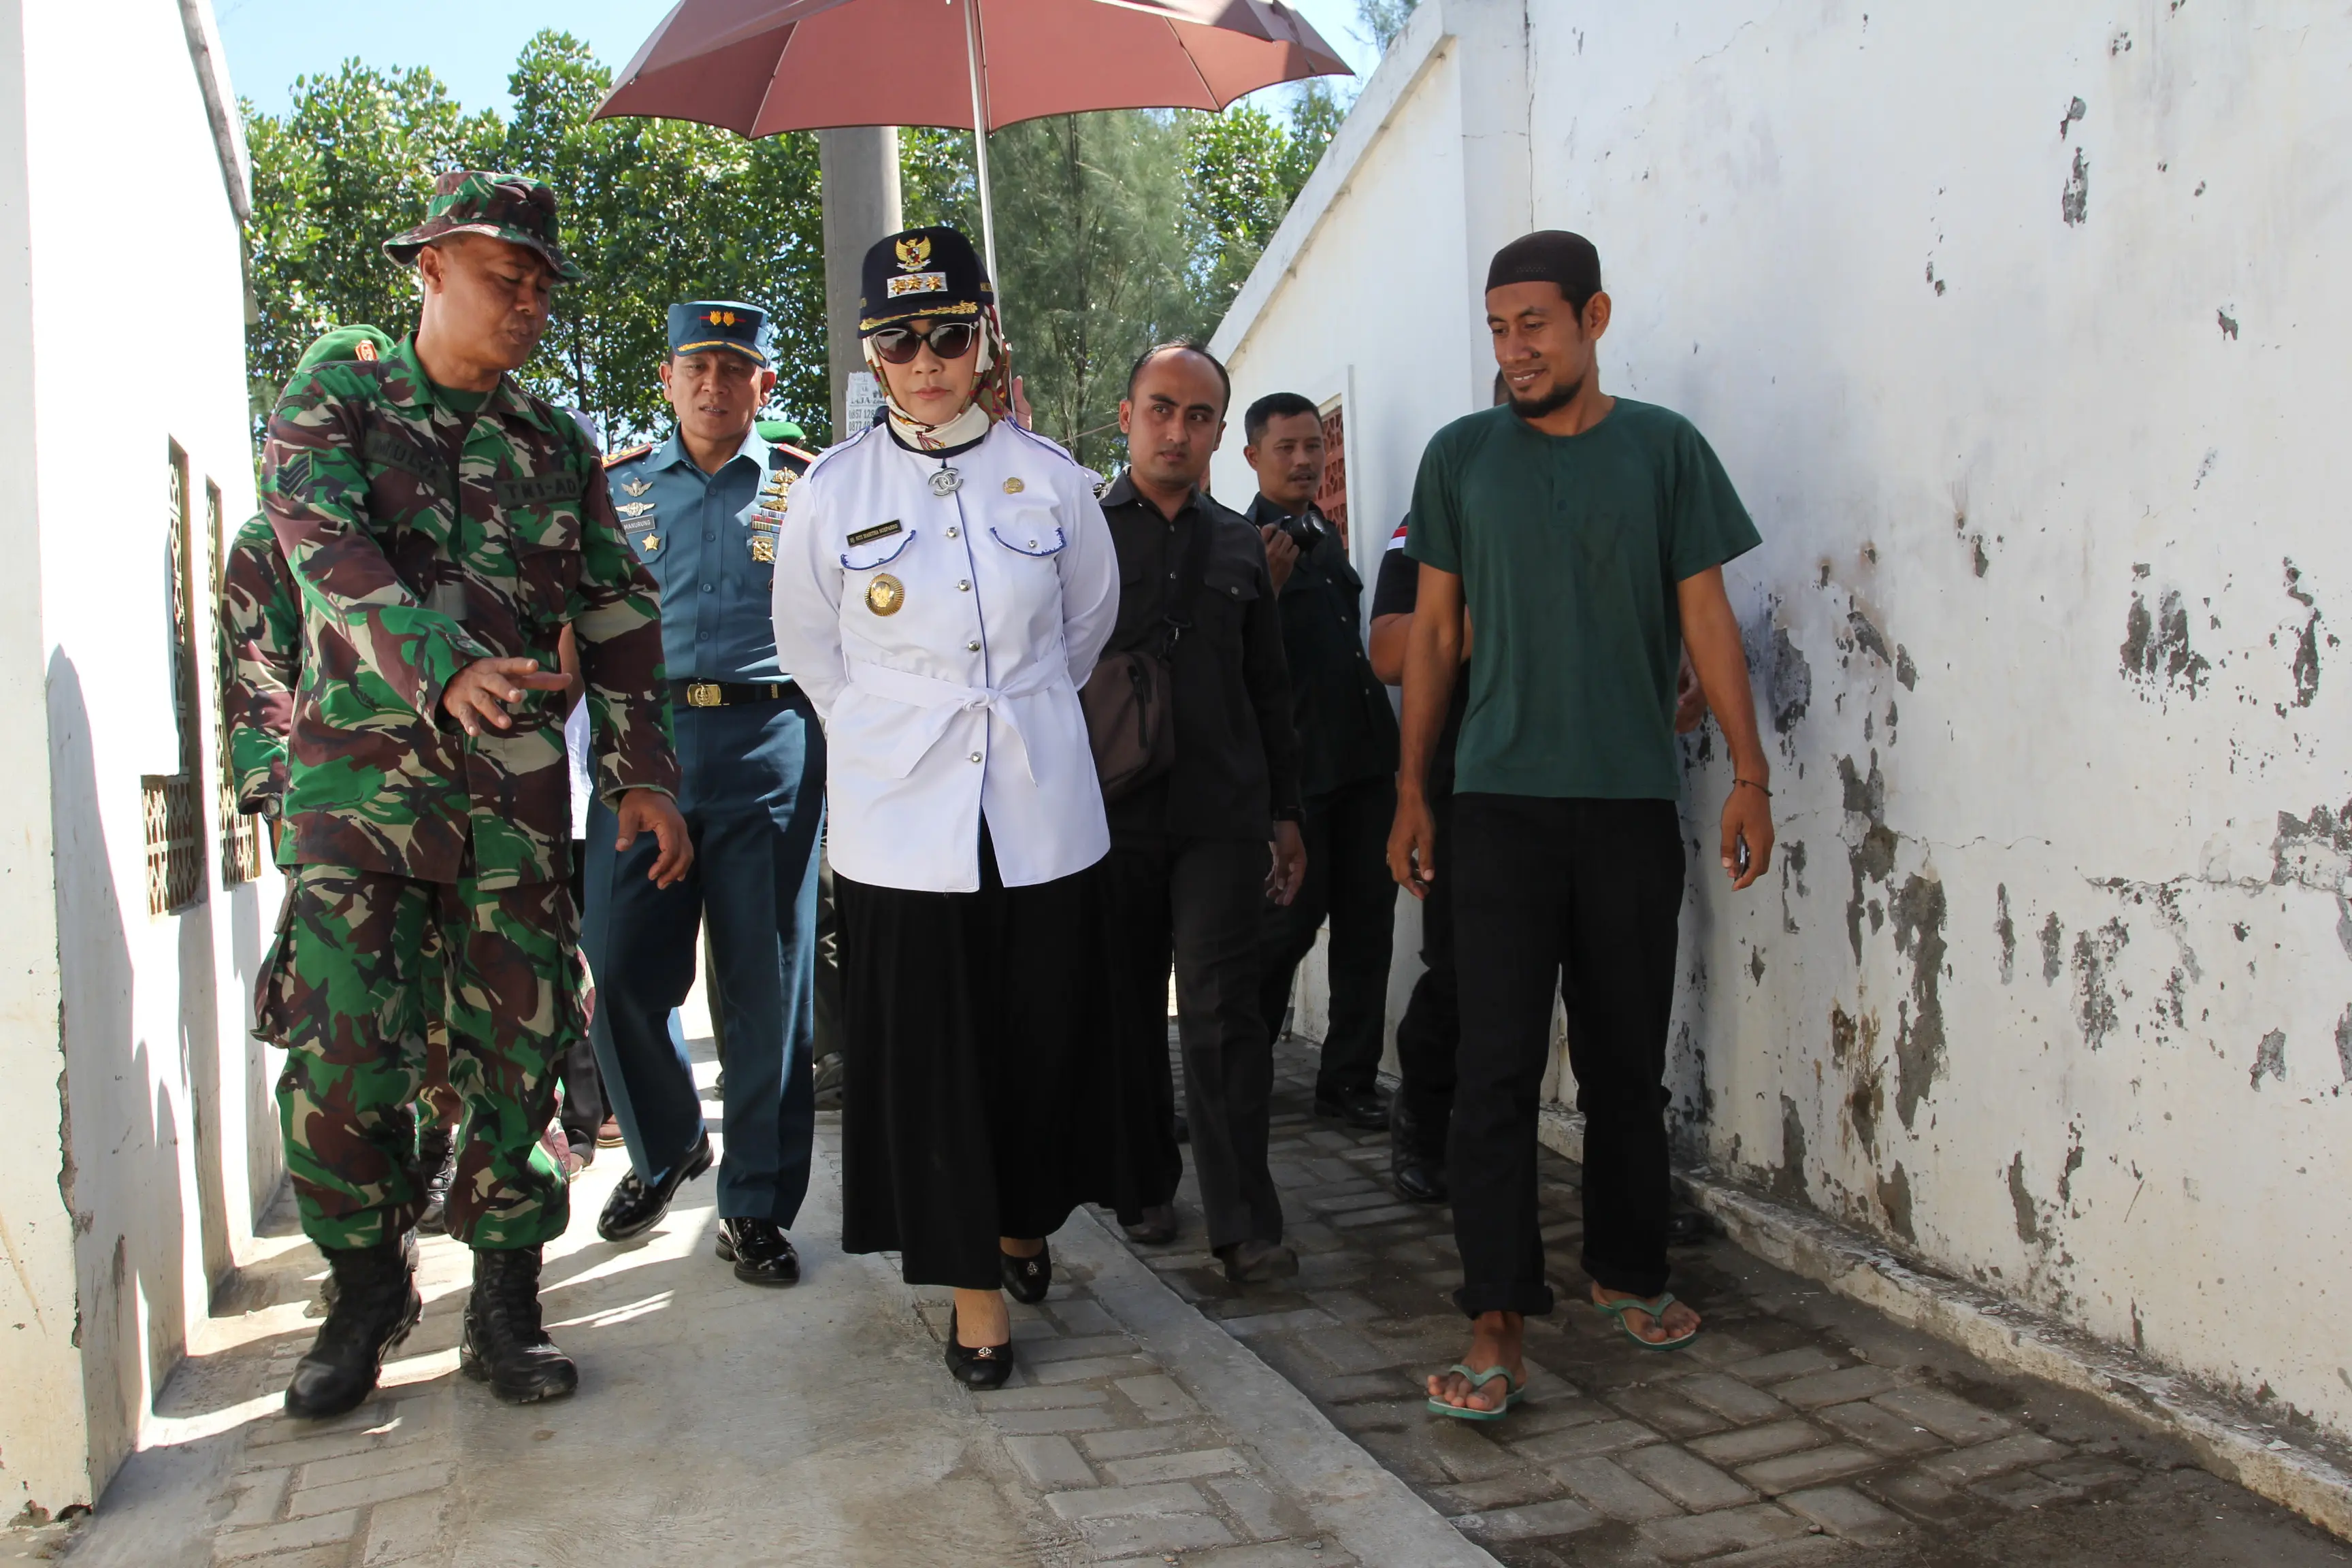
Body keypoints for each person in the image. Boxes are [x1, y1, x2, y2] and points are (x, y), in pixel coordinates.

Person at [257, 171, 689, 1416]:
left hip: (510, 813)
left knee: (518, 1056)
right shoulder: (340, 383)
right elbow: (317, 541)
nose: (532, 302)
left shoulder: (553, 442)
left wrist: (642, 774)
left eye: (545, 286)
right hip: (361, 800)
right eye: (509, 276)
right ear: (432, 265)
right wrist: (440, 668)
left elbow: (615, 609)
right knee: (346, 1063)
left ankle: (506, 1300)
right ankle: (364, 1288)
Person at [1393, 231, 1773, 1418]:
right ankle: (1496, 1315)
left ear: (1593, 316)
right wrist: (1414, 787)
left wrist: (1751, 772)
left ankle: (1627, 1263)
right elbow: (1438, 637)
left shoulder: (1664, 450)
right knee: (1494, 1070)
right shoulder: (1460, 458)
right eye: (1498, 326)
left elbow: (1707, 619)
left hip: (1627, 805)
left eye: (1535, 324)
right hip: (1495, 806)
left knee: (1624, 1061)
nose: (1513, 348)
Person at [771, 225, 1122, 1388]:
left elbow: (1082, 632)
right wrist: (903, 737)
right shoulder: (829, 493)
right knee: (941, 1058)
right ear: (873, 357)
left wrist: (1000, 717)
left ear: (987, 341)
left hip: (1038, 803)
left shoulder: (1055, 478)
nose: (927, 360)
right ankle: (977, 1285)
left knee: (1039, 1036)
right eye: (900, 340)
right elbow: (815, 654)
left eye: (949, 334)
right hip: (904, 817)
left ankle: (1024, 1216)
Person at [585, 302, 824, 1288]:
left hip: (771, 740)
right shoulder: (617, 490)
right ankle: (670, 1137)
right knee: (620, 962)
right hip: (647, 748)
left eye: (735, 368)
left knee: (767, 985)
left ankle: (757, 1206)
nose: (715, 386)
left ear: (765, 384)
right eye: (697, 367)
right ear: (668, 377)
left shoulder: (812, 489)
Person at [226, 324, 479, 1239]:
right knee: (347, 1025)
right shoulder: (274, 536)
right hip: (338, 808)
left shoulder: (425, 515)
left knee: (456, 1005)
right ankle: (368, 1246)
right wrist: (271, 790)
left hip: (450, 805)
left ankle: (434, 1148)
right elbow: (259, 669)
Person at [1098, 342, 1309, 1283]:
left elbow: (1270, 690)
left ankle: (1244, 1225)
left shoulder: (1238, 544)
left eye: (1197, 415)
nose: (1176, 429)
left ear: (1221, 430)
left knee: (1223, 1016)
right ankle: (1144, 1184)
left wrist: (1287, 816)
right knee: (1128, 1004)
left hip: (1222, 815)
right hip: (1109, 813)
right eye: (1160, 409)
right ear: (1127, 415)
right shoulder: (1079, 534)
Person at [1241, 393, 1398, 1133]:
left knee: (1369, 931)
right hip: (1301, 782)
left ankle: (1349, 1083)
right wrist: (1262, 595)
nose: (1305, 461)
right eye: (1287, 449)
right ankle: (1239, 1079)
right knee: (1283, 937)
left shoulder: (1324, 535)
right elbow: (1230, 664)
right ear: (1254, 458)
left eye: (1314, 447)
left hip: (1367, 768)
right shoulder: (1238, 545)